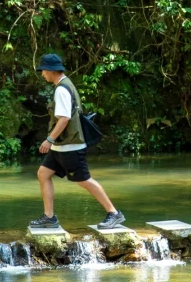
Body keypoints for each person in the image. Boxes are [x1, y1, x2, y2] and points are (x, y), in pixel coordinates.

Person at [30, 53, 125, 230]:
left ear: (51, 71)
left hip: (70, 147)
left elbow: (64, 118)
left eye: (43, 70)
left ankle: (114, 213)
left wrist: (49, 139)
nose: (42, 74)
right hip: (61, 147)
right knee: (43, 173)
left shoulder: (61, 89)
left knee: (84, 180)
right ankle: (49, 218)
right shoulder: (66, 85)